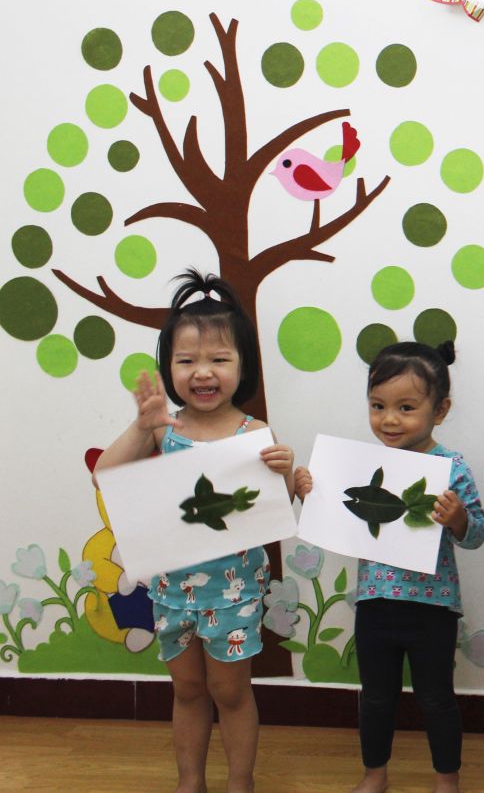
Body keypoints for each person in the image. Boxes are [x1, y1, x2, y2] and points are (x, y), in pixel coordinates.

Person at [94, 270, 294, 793]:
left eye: (219, 359)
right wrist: (142, 425)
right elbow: (105, 475)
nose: (202, 372)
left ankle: (240, 782)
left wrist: (287, 472)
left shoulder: (254, 433)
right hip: (170, 589)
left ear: (243, 366)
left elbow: (279, 507)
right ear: (169, 367)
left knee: (230, 692)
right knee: (186, 689)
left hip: (234, 592)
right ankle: (190, 782)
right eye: (186, 361)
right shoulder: (166, 430)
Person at [292, 340, 484, 793]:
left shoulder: (451, 467)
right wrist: (309, 493)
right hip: (375, 604)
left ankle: (447, 780)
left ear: (440, 410)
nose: (389, 419)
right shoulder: (363, 466)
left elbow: (477, 535)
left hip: (433, 608)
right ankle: (374, 775)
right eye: (377, 406)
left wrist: (458, 518)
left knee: (437, 699)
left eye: (406, 407)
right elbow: (337, 518)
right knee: (376, 698)